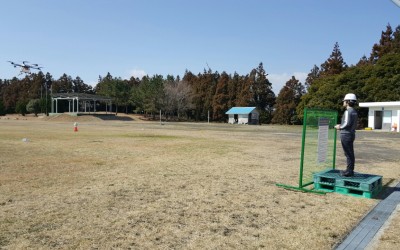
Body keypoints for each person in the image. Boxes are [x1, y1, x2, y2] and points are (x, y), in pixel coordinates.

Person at [334, 93, 358, 177]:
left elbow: (346, 123)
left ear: (347, 102)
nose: (343, 102)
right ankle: (350, 169)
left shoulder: (348, 111)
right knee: (350, 153)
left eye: (344, 101)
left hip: (346, 135)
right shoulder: (354, 111)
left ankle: (349, 171)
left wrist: (339, 127)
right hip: (351, 134)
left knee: (348, 153)